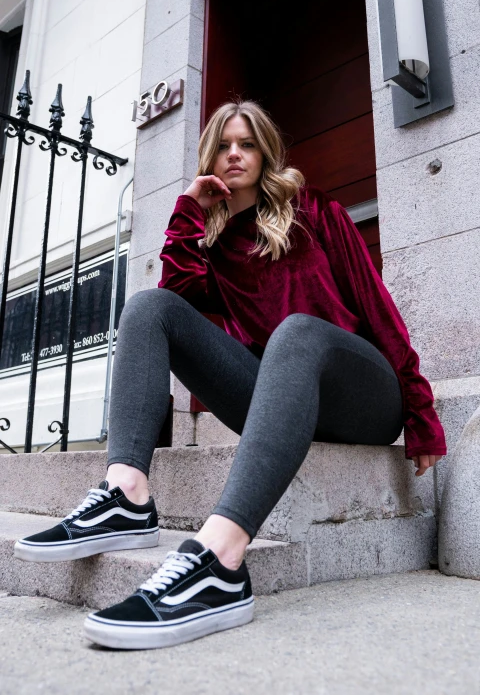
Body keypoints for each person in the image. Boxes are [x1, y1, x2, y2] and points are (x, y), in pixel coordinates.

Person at [14, 101, 447, 651]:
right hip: (282, 397)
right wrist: (188, 212)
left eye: (246, 143)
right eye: (223, 145)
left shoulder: (314, 212)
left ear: (265, 152)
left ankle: (221, 558)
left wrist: (421, 410)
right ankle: (126, 491)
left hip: (360, 393)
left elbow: (379, 309)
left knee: (296, 331)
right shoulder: (216, 246)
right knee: (148, 307)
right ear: (210, 158)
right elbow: (175, 304)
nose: (235, 154)